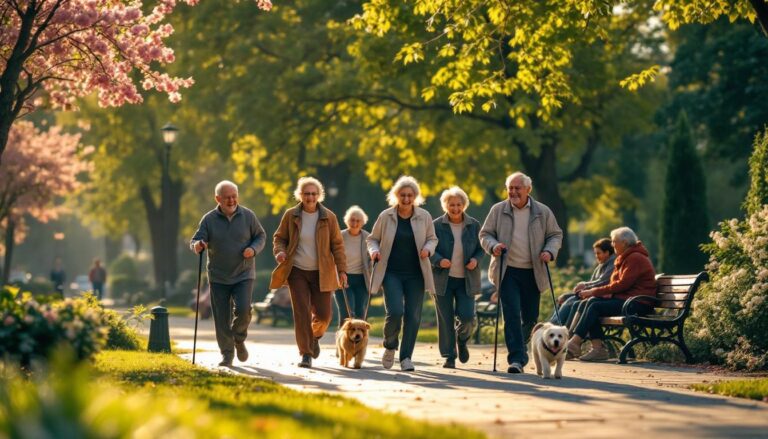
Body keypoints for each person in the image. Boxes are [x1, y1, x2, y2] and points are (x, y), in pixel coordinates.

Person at [479, 172, 563, 374]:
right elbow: (485, 234)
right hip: (507, 271)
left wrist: (549, 251)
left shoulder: (542, 212)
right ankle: (516, 359)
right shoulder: (498, 210)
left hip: (533, 271)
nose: (513, 192)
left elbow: (555, 235)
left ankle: (525, 348)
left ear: (528, 189)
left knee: (531, 319)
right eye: (510, 188)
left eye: (518, 188)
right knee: (511, 315)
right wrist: (493, 246)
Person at [270, 176, 347, 369]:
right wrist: (280, 252)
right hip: (297, 271)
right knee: (302, 312)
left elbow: (337, 245)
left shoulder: (329, 217)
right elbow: (279, 238)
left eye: (313, 193)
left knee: (324, 315)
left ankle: (315, 336)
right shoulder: (291, 215)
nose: (310, 197)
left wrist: (342, 270)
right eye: (306, 193)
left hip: (322, 272)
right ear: (300, 195)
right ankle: (305, 353)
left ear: (319, 195)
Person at [190, 180, 266, 367]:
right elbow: (195, 240)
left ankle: (238, 338)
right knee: (221, 317)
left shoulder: (248, 216)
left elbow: (261, 236)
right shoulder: (209, 219)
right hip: (218, 276)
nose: (232, 200)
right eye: (227, 197)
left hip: (243, 273)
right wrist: (198, 245)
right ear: (218, 198)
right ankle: (227, 354)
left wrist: (253, 249)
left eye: (234, 196)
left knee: (243, 310)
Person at [367, 175, 437, 372]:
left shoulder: (424, 216)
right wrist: (374, 250)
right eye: (403, 195)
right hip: (391, 273)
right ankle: (390, 346)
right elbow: (372, 239)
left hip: (416, 274)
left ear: (415, 196)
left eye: (410, 195)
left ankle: (406, 357)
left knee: (413, 316)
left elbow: (433, 238)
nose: (406, 199)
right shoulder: (386, 216)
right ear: (396, 196)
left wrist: (428, 249)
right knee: (395, 312)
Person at [566, 227, 656, 361]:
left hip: (638, 303)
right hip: (627, 300)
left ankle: (575, 343)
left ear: (624, 243)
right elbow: (616, 284)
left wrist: (593, 291)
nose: (612, 244)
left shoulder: (635, 258)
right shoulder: (625, 257)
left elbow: (622, 284)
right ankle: (597, 349)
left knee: (595, 306)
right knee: (590, 302)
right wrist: (594, 294)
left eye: (614, 242)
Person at [430, 186, 483, 369]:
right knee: (445, 319)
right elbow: (428, 248)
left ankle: (462, 340)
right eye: (451, 205)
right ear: (445, 205)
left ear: (464, 205)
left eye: (458, 204)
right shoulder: (436, 225)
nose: (455, 208)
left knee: (467, 317)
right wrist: (438, 260)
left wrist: (476, 259)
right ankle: (449, 356)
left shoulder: (474, 225)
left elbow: (481, 247)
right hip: (442, 280)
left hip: (466, 280)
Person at [550, 238, 616, 329]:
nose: (596, 256)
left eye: (598, 253)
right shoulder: (601, 266)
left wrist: (585, 285)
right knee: (562, 298)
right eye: (595, 253)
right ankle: (553, 326)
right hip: (592, 294)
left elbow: (602, 282)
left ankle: (556, 328)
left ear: (607, 253)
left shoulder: (612, 264)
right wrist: (584, 286)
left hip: (601, 296)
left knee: (570, 301)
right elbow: (593, 282)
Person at [335, 206, 373, 326]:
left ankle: (359, 342)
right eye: (352, 220)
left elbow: (373, 257)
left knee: (360, 312)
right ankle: (343, 341)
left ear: (362, 222)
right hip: (343, 277)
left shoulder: (368, 238)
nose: (355, 223)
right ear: (347, 221)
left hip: (362, 279)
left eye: (358, 221)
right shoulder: (339, 236)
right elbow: (333, 256)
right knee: (347, 313)